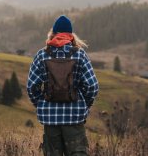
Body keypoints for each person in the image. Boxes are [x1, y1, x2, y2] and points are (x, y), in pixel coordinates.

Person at [27, 15, 99, 156]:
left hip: (50, 119)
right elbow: (92, 86)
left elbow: (31, 87)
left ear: (53, 33)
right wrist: (85, 104)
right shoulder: (79, 55)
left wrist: (42, 103)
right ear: (71, 35)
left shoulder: (42, 55)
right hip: (75, 117)